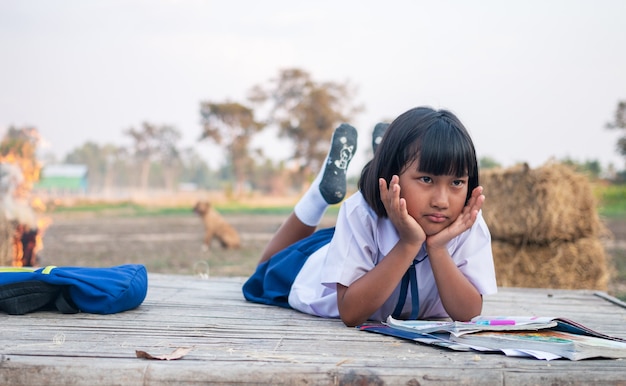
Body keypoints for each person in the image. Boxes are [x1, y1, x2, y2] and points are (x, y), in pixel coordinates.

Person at [242, 106, 497, 327]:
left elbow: (468, 313)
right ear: (392, 175)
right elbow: (351, 313)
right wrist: (409, 243)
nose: (441, 201)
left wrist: (438, 248)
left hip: (367, 243)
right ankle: (319, 194)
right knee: (263, 271)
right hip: (327, 261)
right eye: (427, 179)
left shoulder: (467, 221)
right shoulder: (360, 212)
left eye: (456, 182)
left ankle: (382, 155)